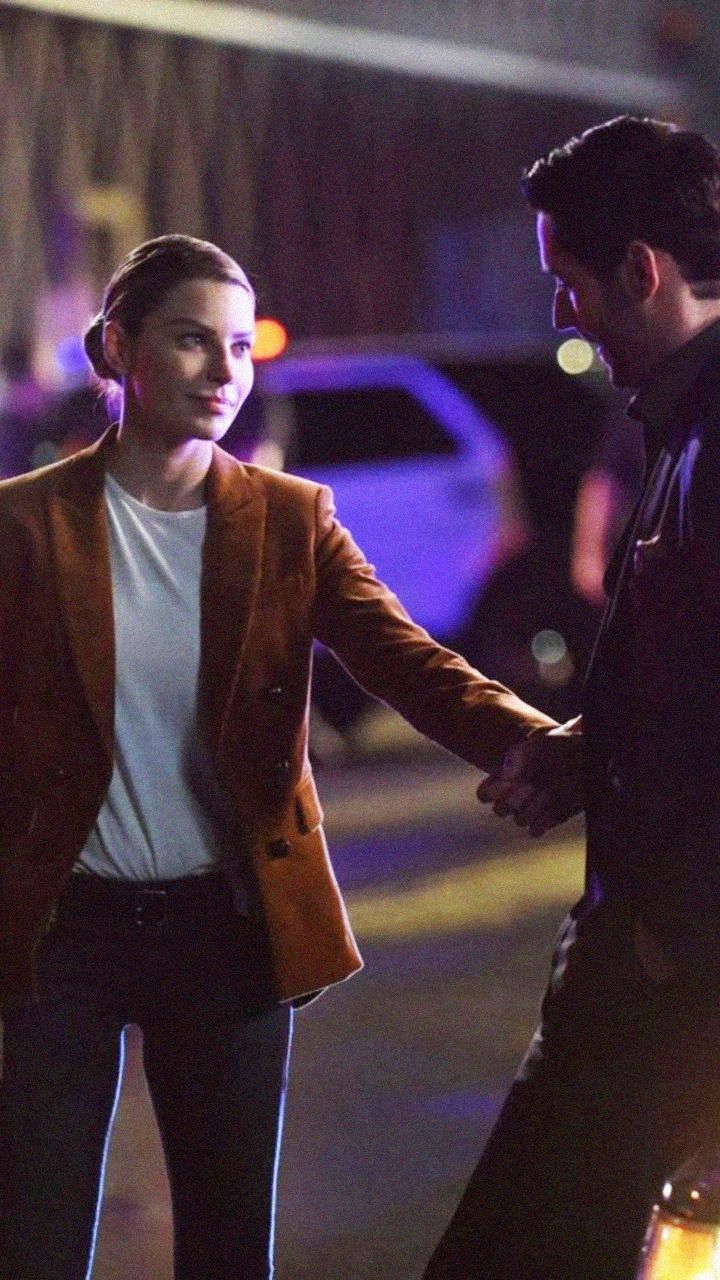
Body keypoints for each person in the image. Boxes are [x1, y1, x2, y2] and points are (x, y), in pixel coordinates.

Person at [0, 234, 559, 1280]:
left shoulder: (289, 521)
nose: (224, 373)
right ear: (118, 350)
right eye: (189, 342)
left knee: (227, 1246)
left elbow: (408, 660)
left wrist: (542, 746)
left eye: (238, 348)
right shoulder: (24, 527)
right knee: (32, 1238)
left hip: (228, 925)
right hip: (59, 924)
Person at [423, 114, 720, 1280]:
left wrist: (670, 938)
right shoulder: (681, 427)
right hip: (647, 974)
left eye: (568, 281)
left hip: (664, 990)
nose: (561, 313)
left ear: (640, 272)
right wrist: (585, 749)